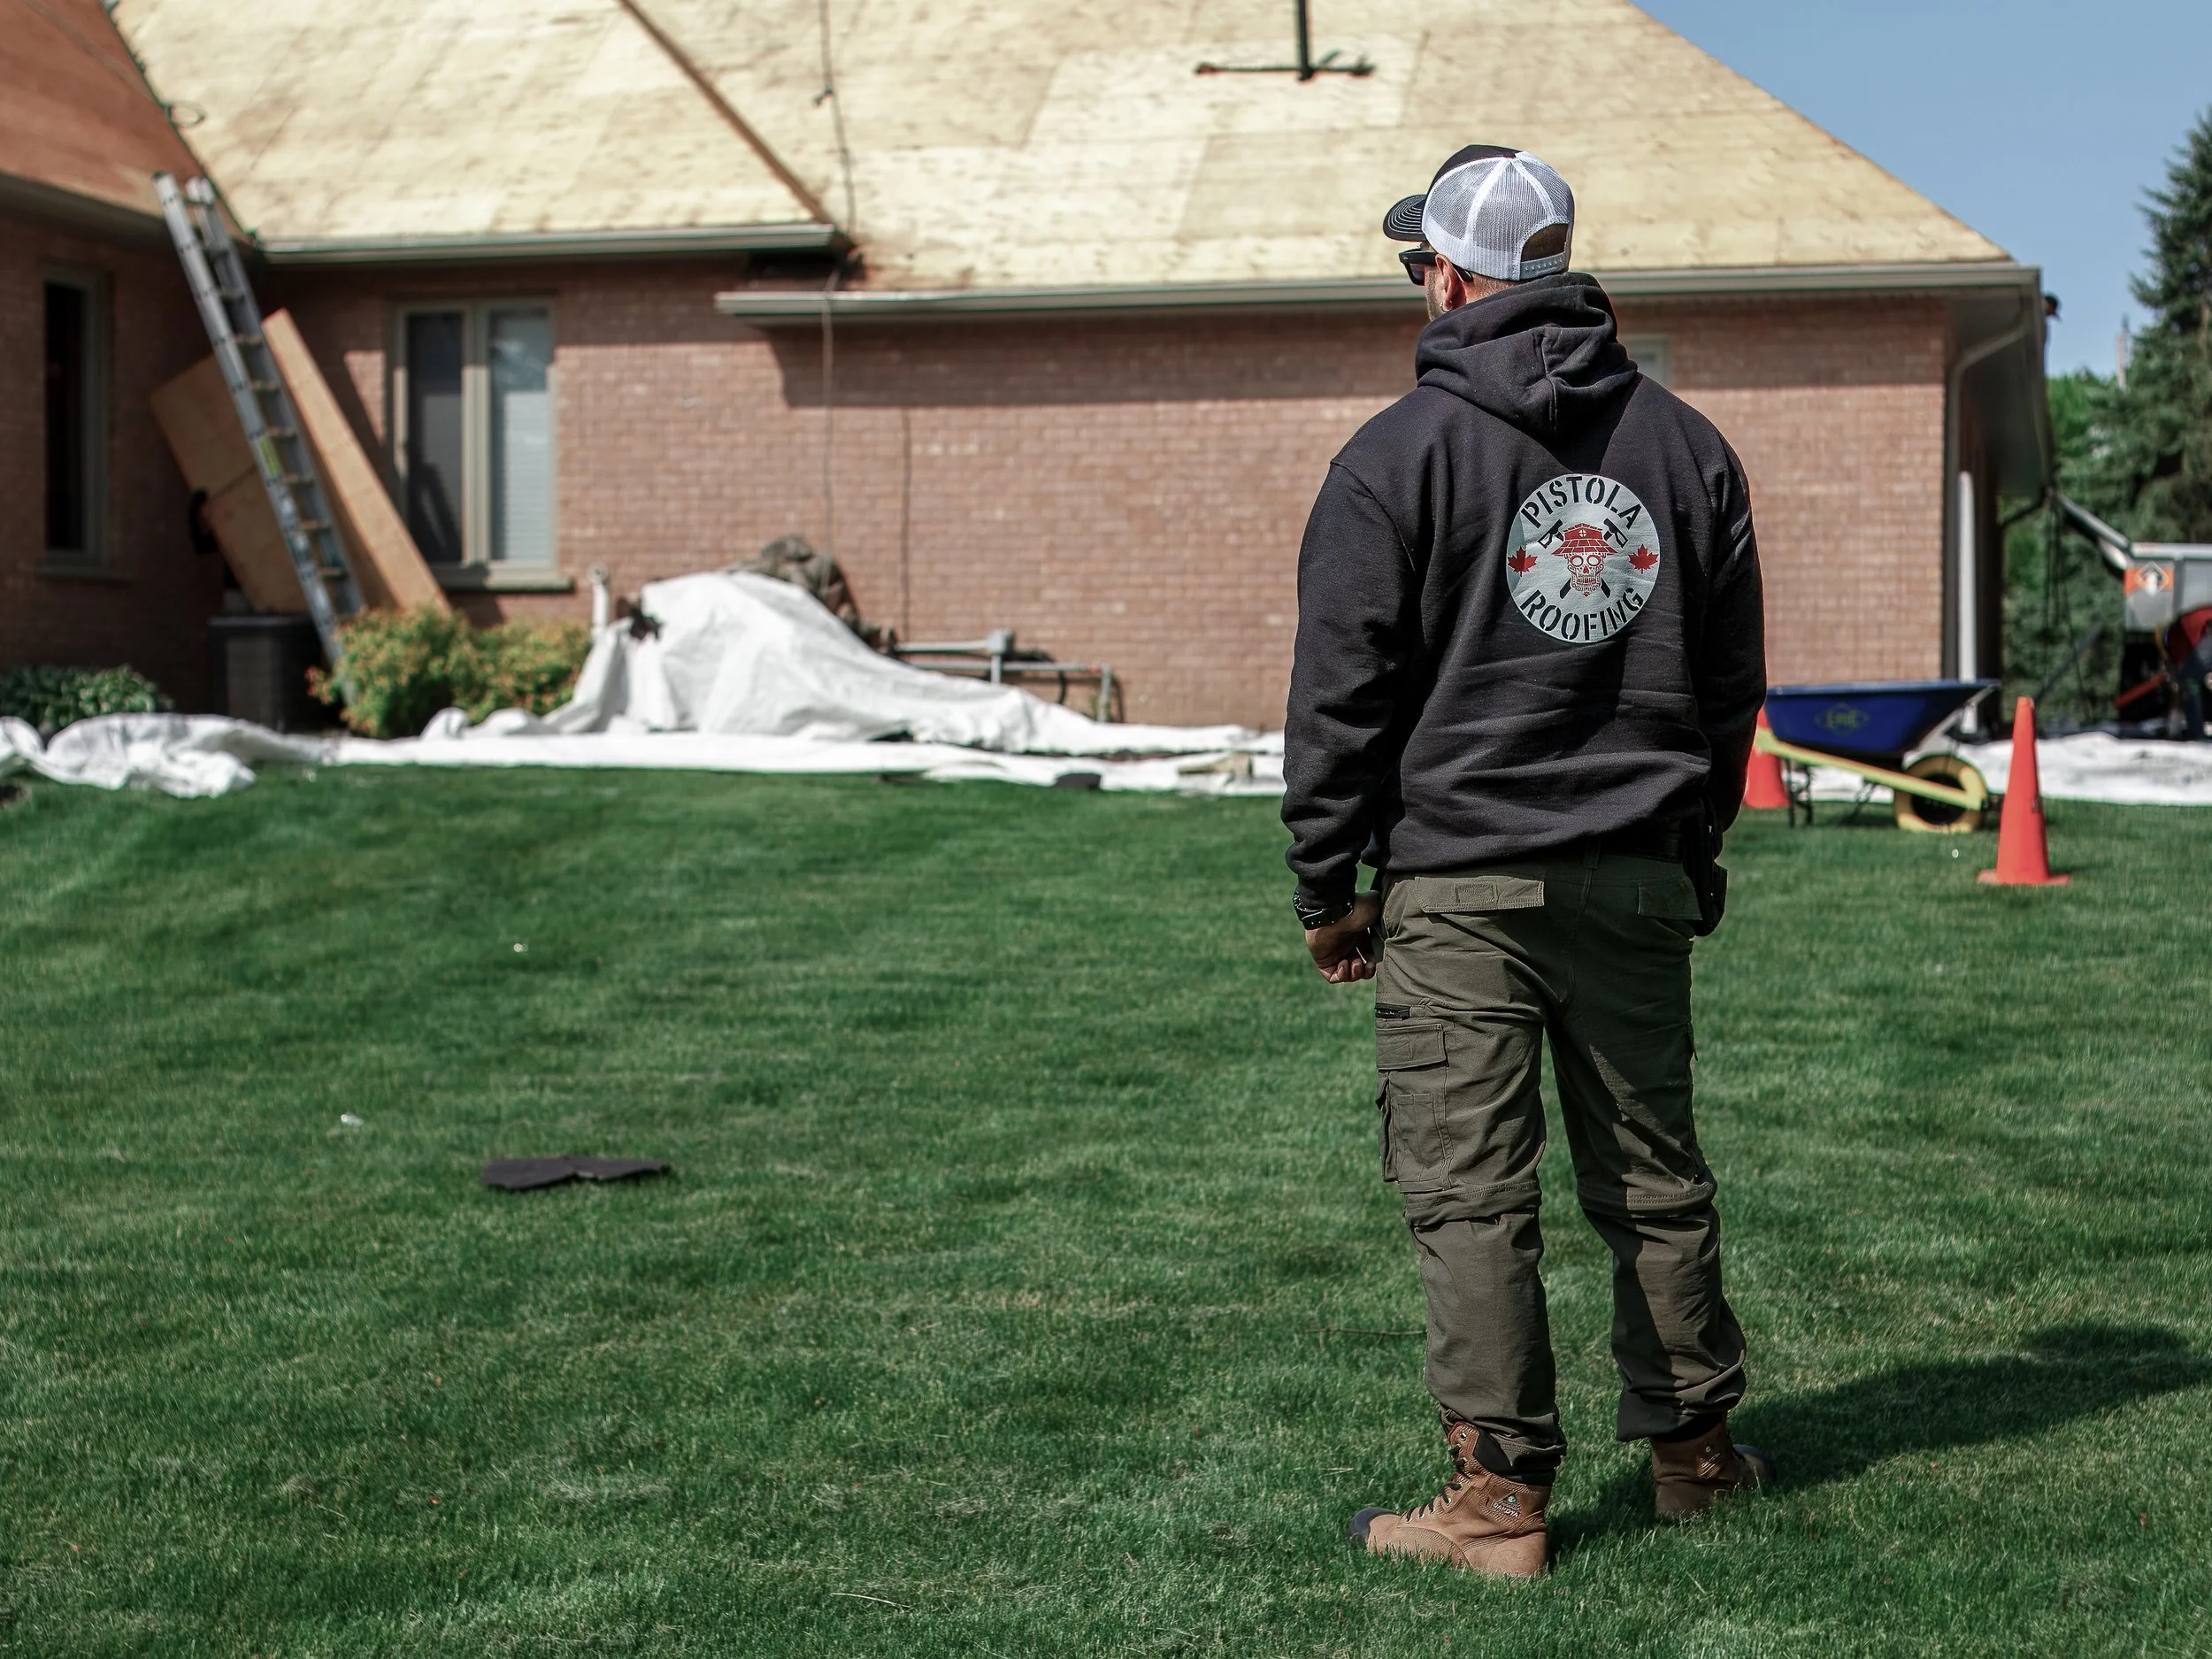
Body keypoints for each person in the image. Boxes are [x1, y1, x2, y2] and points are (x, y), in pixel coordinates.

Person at [1281, 147, 1772, 1578]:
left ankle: (1498, 1504)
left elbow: (1338, 699)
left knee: (1472, 1195)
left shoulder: (1394, 457)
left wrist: (1327, 887)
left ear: (1448, 275)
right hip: (1635, 871)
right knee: (1655, 1177)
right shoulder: (1688, 449)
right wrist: (1692, 849)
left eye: (1417, 264)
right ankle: (1695, 1459)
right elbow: (1729, 689)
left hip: (1458, 886)